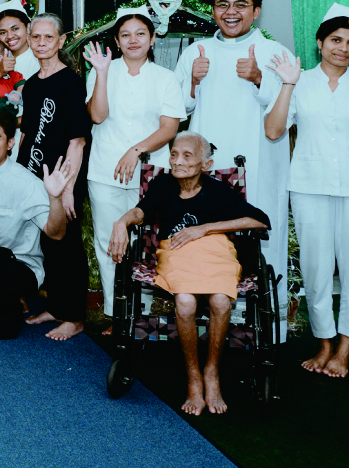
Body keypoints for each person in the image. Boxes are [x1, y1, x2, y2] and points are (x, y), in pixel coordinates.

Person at [263, 4, 349, 378]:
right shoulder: (299, 82)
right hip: (310, 187)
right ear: (320, 42)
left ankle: (345, 348)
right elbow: (273, 131)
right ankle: (323, 342)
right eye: (336, 40)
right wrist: (287, 84)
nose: (343, 48)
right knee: (316, 267)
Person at [109, 132, 271, 416]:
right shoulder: (163, 184)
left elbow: (260, 220)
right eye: (174, 154)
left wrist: (205, 229)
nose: (177, 161)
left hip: (215, 251)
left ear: (205, 164)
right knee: (184, 302)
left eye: (187, 156)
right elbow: (141, 212)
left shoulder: (218, 190)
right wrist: (121, 222)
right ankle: (194, 376)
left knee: (221, 300)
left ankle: (212, 372)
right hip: (177, 252)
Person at [172, 0, 292, 329]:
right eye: (223, 5)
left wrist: (260, 79)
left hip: (258, 164)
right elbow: (176, 109)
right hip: (208, 168)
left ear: (256, 11)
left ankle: (266, 326)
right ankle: (206, 321)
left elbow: (287, 115)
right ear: (212, 11)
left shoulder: (275, 54)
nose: (231, 12)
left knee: (260, 238)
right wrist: (193, 82)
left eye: (241, 5)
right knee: (204, 237)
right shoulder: (195, 52)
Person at [84, 8, 186, 323]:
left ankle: (141, 314)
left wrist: (136, 150)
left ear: (152, 39)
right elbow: (97, 116)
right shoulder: (101, 70)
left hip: (151, 172)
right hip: (105, 171)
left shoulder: (165, 78)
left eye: (140, 34)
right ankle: (116, 314)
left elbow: (169, 128)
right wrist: (101, 74)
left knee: (148, 241)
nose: (133, 40)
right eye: (125, 35)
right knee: (108, 241)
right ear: (116, 41)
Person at [15, 12, 90, 341]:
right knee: (48, 244)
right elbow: (28, 134)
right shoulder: (32, 85)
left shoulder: (70, 82)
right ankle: (57, 307)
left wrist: (68, 188)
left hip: (63, 179)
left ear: (61, 41)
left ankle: (75, 317)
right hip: (35, 177)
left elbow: (78, 140)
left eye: (48, 37)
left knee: (68, 245)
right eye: (36, 37)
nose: (41, 43)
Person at [0, 110, 74, 340]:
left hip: (20, 265)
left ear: (10, 143)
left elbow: (56, 234)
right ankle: (3, 298)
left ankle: (13, 313)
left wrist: (55, 198)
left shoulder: (26, 184)